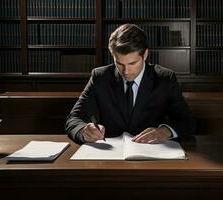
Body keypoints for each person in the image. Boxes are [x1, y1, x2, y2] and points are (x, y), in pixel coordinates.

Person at [65, 24, 195, 144]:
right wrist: (84, 131)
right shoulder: (100, 77)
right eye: (120, 64)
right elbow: (74, 118)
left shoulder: (164, 78)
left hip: (151, 153)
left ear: (145, 54)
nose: (126, 71)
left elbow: (187, 122)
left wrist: (166, 131)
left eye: (132, 63)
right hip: (110, 154)